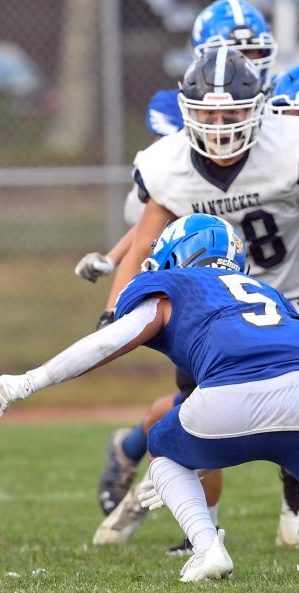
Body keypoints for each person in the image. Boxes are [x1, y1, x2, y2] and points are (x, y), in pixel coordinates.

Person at [0, 213, 299, 582]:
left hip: (229, 393)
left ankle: (206, 547)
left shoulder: (172, 283)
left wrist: (29, 380)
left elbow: (106, 342)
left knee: (164, 447)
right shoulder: (270, 293)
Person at [90, 4, 299, 552]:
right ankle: (199, 524)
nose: (222, 127)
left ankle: (294, 508)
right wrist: (118, 307)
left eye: (234, 116)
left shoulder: (289, 145)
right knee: (197, 414)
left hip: (289, 291)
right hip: (212, 308)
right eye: (208, 116)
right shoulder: (168, 162)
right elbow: (144, 241)